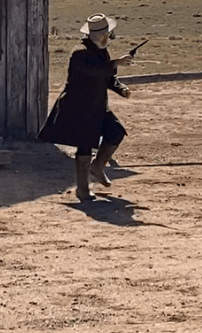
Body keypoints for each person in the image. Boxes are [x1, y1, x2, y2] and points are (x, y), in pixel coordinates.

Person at [39, 13, 133, 201]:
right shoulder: (80, 52)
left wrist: (120, 88)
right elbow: (96, 70)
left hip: (97, 105)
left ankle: (97, 166)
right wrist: (116, 63)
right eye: (107, 33)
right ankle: (82, 190)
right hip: (79, 106)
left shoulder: (100, 50)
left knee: (116, 132)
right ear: (97, 34)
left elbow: (107, 76)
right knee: (85, 145)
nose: (109, 36)